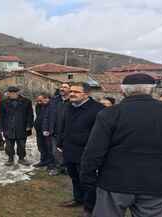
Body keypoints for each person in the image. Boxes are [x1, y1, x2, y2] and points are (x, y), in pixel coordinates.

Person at [80, 74, 162, 217]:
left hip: (114, 182)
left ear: (123, 91)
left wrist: (88, 178)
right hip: (156, 183)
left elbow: (94, 151)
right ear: (152, 90)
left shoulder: (110, 113)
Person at [59, 82, 104, 217]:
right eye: (71, 91)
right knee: (74, 178)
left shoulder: (98, 109)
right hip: (69, 150)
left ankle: (90, 208)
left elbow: (101, 134)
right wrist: (61, 142)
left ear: (87, 94)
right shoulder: (68, 106)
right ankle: (78, 199)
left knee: (88, 182)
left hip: (86, 153)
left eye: (76, 92)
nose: (72, 94)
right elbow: (64, 126)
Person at [0, 86, 34, 166]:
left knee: (21, 145)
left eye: (14, 92)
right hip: (8, 127)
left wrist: (29, 125)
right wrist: (0, 127)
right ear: (8, 93)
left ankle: (21, 158)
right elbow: (0, 116)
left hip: (22, 127)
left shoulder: (26, 102)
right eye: (10, 93)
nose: (12, 94)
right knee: (9, 145)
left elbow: (30, 115)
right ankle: (10, 159)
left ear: (18, 92)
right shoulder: (3, 102)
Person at [43, 83, 71, 176]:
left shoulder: (72, 101)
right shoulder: (54, 100)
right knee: (55, 152)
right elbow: (47, 115)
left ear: (70, 89)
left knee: (68, 151)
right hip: (55, 131)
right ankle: (58, 168)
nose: (62, 89)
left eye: (65, 87)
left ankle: (68, 168)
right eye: (61, 87)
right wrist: (46, 128)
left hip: (68, 131)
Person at [34, 93, 55, 169]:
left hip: (48, 130)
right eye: (38, 101)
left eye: (40, 100)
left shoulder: (52, 106)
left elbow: (52, 119)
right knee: (41, 146)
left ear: (46, 99)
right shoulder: (39, 106)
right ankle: (43, 160)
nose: (39, 102)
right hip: (39, 129)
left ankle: (51, 163)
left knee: (49, 147)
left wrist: (49, 129)